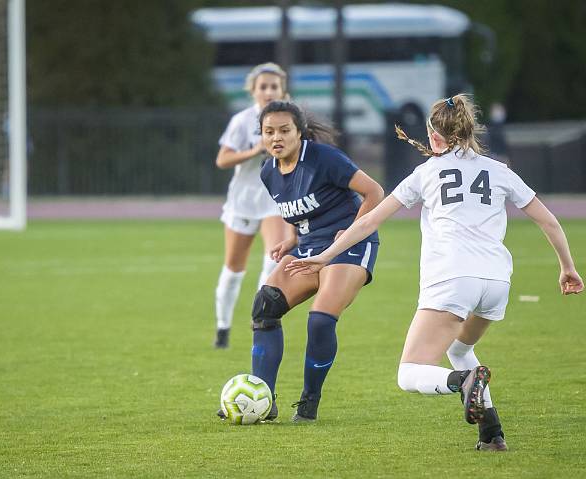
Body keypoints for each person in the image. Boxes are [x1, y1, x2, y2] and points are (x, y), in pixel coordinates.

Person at [285, 94, 583, 448]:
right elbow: (549, 222)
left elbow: (368, 221)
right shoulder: (499, 170)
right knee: (459, 348)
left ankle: (462, 382)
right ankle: (492, 434)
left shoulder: (425, 174)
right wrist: (568, 267)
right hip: (497, 283)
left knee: (409, 374)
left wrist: (326, 255)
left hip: (452, 279)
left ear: (435, 137)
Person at [219, 100, 384, 422]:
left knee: (320, 320)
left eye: (284, 130)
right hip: (309, 247)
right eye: (268, 132)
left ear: (300, 133)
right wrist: (292, 240)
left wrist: (350, 233)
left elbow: (375, 193)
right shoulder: (269, 171)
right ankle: (263, 400)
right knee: (265, 308)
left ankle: (309, 401)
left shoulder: (324, 158)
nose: (276, 138)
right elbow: (299, 209)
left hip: (348, 246)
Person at [212, 63, 292, 348]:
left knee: (273, 260)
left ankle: (260, 320)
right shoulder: (242, 121)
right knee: (234, 268)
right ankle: (222, 328)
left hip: (275, 200)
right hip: (244, 201)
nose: (269, 91)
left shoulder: (292, 120)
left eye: (274, 86)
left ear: (283, 89)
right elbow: (222, 160)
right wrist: (255, 150)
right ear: (254, 91)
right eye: (263, 86)